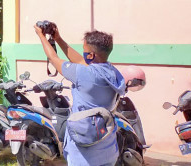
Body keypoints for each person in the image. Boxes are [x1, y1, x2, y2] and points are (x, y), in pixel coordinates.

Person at [34, 23, 126, 166]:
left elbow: (53, 59)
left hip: (85, 155)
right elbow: (80, 61)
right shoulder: (112, 72)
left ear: (91, 55)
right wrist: (58, 38)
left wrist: (41, 35)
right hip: (107, 149)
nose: (82, 53)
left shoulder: (84, 74)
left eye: (84, 50)